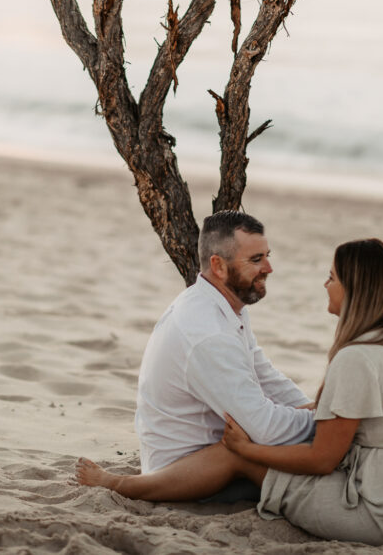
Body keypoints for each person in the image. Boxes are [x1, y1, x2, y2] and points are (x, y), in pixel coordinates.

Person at [77, 238, 383, 545]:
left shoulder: (357, 358)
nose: (325, 284)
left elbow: (321, 461)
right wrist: (315, 414)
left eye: (332, 277)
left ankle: (120, 485)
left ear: (354, 288)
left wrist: (247, 451)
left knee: (231, 454)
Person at [80, 211, 315, 498]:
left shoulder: (223, 305)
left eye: (267, 256)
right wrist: (330, 421)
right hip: (189, 471)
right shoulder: (208, 331)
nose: (269, 268)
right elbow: (266, 430)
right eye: (256, 260)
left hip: (210, 453)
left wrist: (316, 411)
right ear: (218, 265)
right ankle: (120, 485)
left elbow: (267, 378)